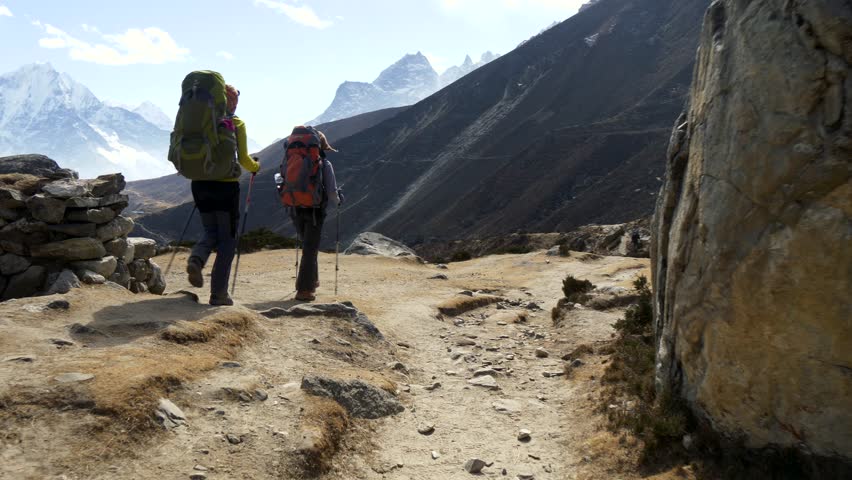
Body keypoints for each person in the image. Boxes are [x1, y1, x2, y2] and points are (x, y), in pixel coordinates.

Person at [186, 84, 260, 305]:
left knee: (210, 230)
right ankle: (219, 294)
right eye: (234, 100)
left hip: (199, 185)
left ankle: (197, 259)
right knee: (227, 240)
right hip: (225, 188)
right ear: (229, 101)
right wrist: (255, 167)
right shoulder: (236, 124)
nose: (236, 104)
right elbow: (245, 159)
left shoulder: (199, 121)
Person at [287, 129, 342, 302]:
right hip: (315, 210)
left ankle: (313, 280)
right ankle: (305, 290)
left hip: (295, 206)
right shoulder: (324, 164)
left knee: (307, 245)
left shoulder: (290, 159)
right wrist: (339, 200)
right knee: (310, 249)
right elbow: (332, 192)